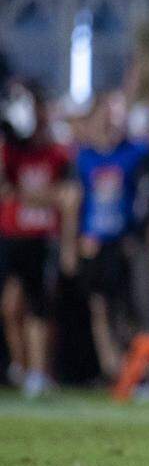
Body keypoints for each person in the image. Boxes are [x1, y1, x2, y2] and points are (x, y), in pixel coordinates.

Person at [0, 83, 74, 397]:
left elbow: (67, 198)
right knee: (10, 306)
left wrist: (27, 196)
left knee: (38, 309)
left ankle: (38, 372)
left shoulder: (57, 154)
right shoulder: (11, 152)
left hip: (42, 238)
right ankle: (21, 365)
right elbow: (5, 190)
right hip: (13, 237)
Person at [73, 94, 149, 380]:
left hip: (123, 241)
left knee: (127, 308)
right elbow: (77, 200)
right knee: (100, 307)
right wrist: (77, 239)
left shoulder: (133, 152)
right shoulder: (84, 157)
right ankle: (112, 369)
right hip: (95, 241)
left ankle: (134, 368)